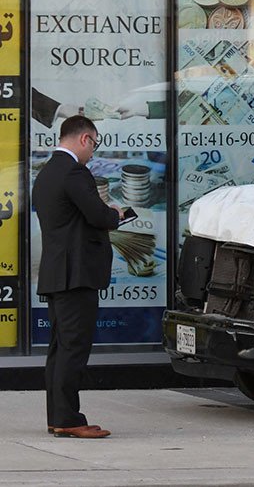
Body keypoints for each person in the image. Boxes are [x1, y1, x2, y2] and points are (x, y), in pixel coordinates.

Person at [32, 116, 123, 439]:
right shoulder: (73, 172)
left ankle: (58, 416)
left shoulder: (46, 174)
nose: (93, 153)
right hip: (77, 275)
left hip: (57, 272)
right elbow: (98, 216)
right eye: (94, 145)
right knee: (74, 348)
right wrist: (116, 214)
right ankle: (69, 418)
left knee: (59, 348)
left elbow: (68, 221)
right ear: (85, 138)